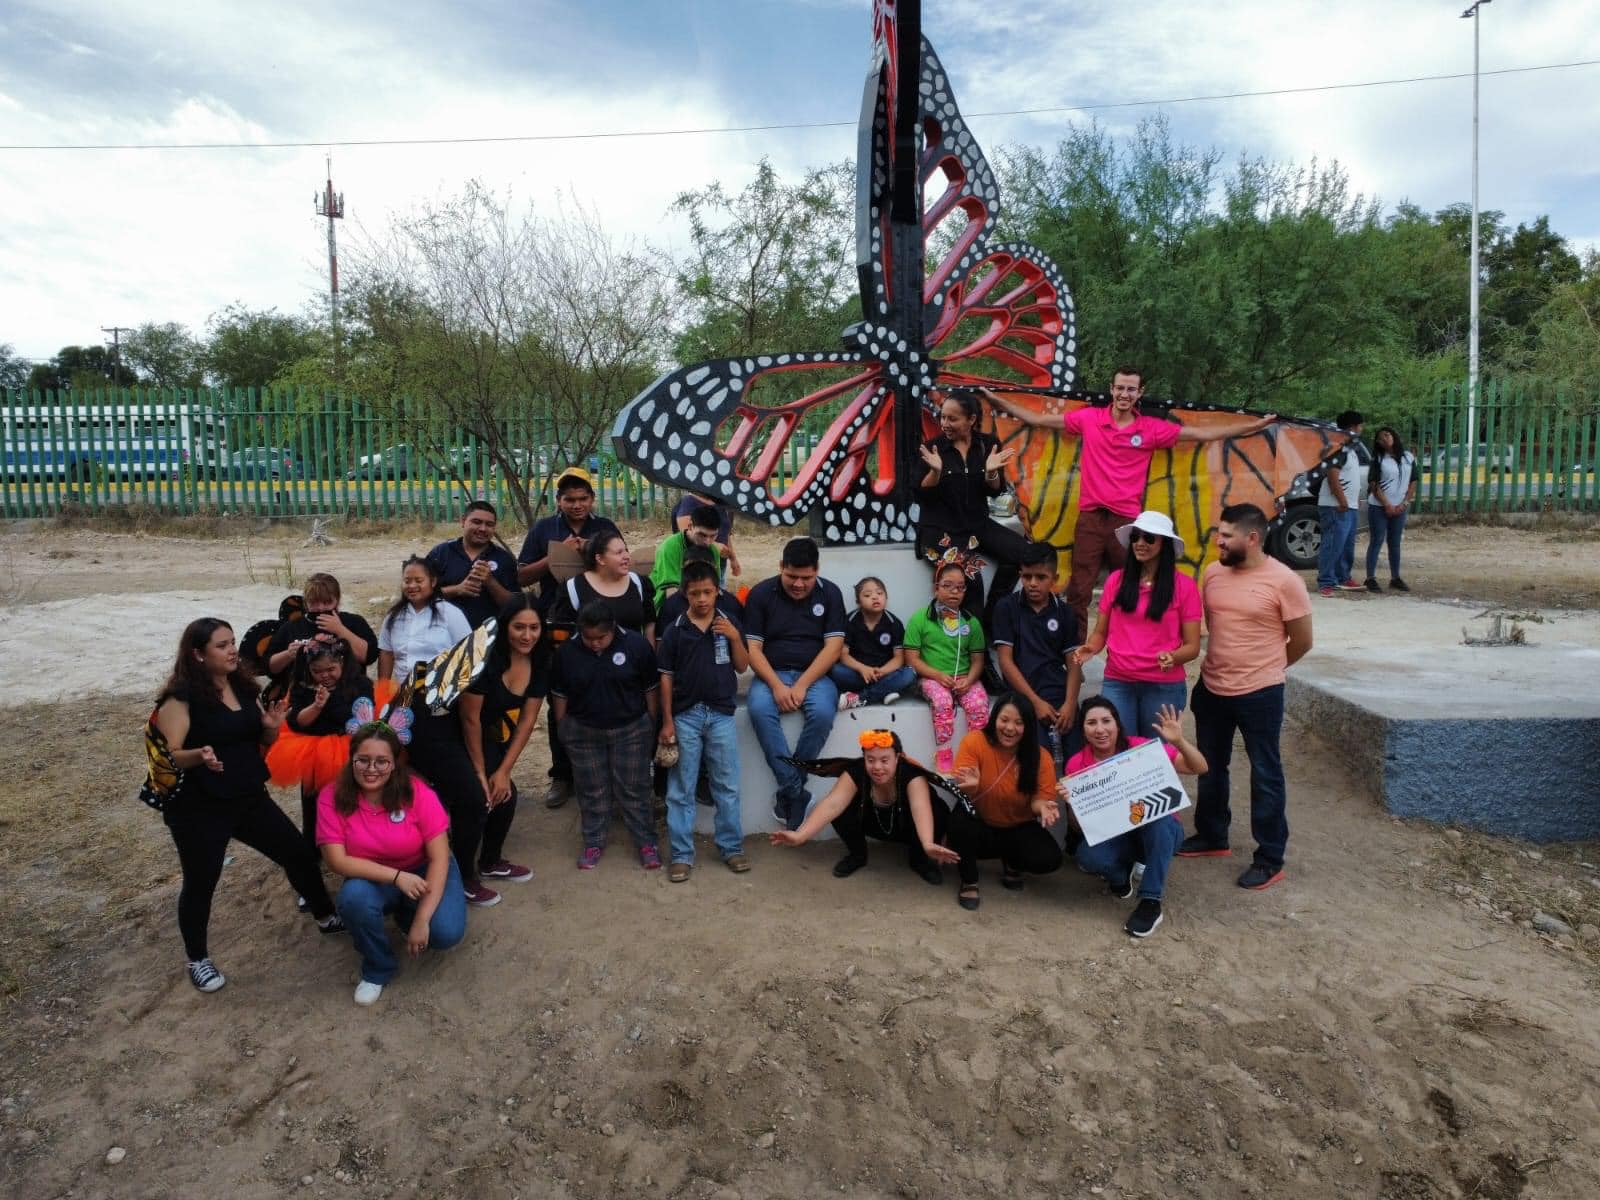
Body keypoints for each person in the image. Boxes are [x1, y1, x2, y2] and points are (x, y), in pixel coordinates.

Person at [986, 370, 1274, 630]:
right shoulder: (1089, 419)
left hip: (1127, 525)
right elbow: (1036, 419)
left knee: (1129, 591)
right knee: (1079, 592)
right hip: (1090, 518)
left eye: (1131, 389)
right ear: (1111, 389)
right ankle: (1072, 657)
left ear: (1140, 393)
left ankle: (1122, 653)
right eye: (1120, 388)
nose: (1124, 394)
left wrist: (1252, 426)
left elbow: (1200, 434)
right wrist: (992, 399)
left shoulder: (1150, 428)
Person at [153, 619, 342, 994]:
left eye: (232, 642)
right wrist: (200, 755)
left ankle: (325, 914)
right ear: (197, 654)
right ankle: (198, 959)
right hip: (199, 807)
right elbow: (171, 754)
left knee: (298, 853)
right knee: (201, 883)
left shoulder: (242, 686)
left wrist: (271, 725)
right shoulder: (180, 697)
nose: (232, 650)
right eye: (222, 645)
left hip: (247, 796)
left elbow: (262, 739)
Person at [1179, 503, 1313, 890]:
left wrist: (1267, 670)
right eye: (1218, 534)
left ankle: (1270, 856)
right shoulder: (1213, 573)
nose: (1218, 541)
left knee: (1266, 773)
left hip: (1261, 694)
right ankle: (1212, 835)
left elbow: (1302, 641)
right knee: (1209, 765)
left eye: (1226, 535)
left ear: (1252, 538)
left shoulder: (1285, 581)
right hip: (1212, 687)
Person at [318, 723, 466, 1006]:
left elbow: (439, 856)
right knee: (353, 899)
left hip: (424, 868)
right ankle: (378, 966)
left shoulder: (417, 792)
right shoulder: (331, 796)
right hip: (373, 876)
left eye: (382, 761)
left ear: (395, 764)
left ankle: (410, 913)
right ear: (351, 760)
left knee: (445, 934)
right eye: (363, 759)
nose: (371, 768)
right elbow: (337, 860)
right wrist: (397, 877)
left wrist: (422, 921)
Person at [1062, 697, 1208, 938]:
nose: (1100, 729)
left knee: (1160, 821)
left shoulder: (1142, 749)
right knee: (1088, 857)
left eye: (1106, 721)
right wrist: (1073, 804)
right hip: (1118, 836)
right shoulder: (1077, 764)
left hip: (1159, 831)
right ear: (1083, 730)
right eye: (1091, 723)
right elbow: (1079, 827)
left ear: (1117, 724)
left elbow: (1200, 767)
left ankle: (1151, 901)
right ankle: (1122, 875)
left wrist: (1179, 741)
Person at [542, 530, 657, 810]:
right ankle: (564, 776)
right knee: (571, 721)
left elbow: (650, 622)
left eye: (626, 550)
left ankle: (641, 783)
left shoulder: (639, 584)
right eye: (618, 552)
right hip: (586, 674)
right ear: (599, 558)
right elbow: (563, 634)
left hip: (630, 672)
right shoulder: (573, 588)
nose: (626, 556)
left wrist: (649, 656)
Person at [743, 537, 848, 830]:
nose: (799, 584)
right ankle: (795, 790)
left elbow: (834, 647)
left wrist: (802, 684)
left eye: (806, 578)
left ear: (817, 571)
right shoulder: (762, 594)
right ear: (780, 568)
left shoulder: (830, 594)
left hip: (814, 675)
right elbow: (753, 650)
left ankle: (790, 790)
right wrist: (777, 685)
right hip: (770, 673)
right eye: (792, 576)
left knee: (824, 713)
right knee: (760, 709)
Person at [1071, 510, 1202, 738]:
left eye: (1149, 538)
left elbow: (1192, 646)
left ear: (1165, 544)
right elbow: (1100, 632)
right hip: (1118, 680)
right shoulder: (1116, 581)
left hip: (1163, 685)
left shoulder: (1185, 586)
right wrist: (1090, 648)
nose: (1140, 543)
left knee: (1157, 757)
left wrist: (1174, 657)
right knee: (1119, 751)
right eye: (1135, 537)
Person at [657, 561, 750, 881]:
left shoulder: (728, 623)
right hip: (686, 716)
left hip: (721, 713)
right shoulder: (675, 631)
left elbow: (741, 667)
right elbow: (665, 679)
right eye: (694, 593)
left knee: (726, 783)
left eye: (708, 592)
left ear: (717, 591)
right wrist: (667, 721)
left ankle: (732, 847)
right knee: (681, 786)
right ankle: (682, 854)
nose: (702, 599)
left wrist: (736, 637)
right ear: (684, 594)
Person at [550, 602, 662, 870]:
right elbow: (559, 694)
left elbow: (651, 689)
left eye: (601, 638)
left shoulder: (636, 646)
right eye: (588, 639)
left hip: (632, 729)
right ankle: (593, 842)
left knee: (634, 788)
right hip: (583, 731)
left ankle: (646, 843)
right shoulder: (566, 653)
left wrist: (650, 721)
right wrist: (563, 725)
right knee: (592, 789)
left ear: (613, 629)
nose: (595, 644)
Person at [769, 728, 960, 884]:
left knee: (936, 812)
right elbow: (832, 804)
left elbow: (921, 809)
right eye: (871, 760)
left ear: (898, 758)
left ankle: (920, 860)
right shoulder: (856, 770)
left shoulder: (912, 775)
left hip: (912, 829)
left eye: (884, 760)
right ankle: (858, 855)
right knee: (840, 812)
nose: (877, 767)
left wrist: (927, 844)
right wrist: (800, 836)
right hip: (876, 823)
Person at [457, 593, 550, 886]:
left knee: (504, 792)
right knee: (476, 795)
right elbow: (469, 718)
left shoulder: (541, 658)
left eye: (534, 627)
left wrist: (504, 770)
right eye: (518, 627)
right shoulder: (484, 656)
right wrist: (480, 772)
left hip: (492, 731)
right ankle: (463, 875)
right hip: (453, 730)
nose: (527, 635)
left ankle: (490, 862)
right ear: (505, 625)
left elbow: (527, 720)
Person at [914, 391, 1025, 622]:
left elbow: (993, 490)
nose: (945, 424)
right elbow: (922, 495)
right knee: (971, 577)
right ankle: (977, 653)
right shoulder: (933, 448)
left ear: (971, 420)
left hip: (977, 525)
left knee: (1025, 553)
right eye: (942, 417)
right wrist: (936, 471)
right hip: (939, 531)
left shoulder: (988, 445)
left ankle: (992, 619)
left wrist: (991, 471)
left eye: (952, 419)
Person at [945, 693, 1062, 910]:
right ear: (994, 719)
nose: (1010, 728)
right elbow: (963, 790)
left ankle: (1012, 862)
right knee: (959, 823)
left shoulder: (1040, 756)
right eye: (1004, 720)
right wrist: (971, 787)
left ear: (1028, 726)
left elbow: (1039, 799)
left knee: (1050, 858)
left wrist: (1043, 807)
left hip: (1017, 827)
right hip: (981, 823)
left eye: (1019, 723)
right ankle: (969, 880)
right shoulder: (974, 742)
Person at [266, 638, 374, 853]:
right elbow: (297, 722)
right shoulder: (302, 686)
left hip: (350, 743)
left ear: (342, 662)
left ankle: (358, 840)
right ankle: (314, 843)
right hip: (314, 748)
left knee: (354, 795)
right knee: (314, 798)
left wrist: (334, 704)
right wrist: (317, 705)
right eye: (317, 671)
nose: (325, 675)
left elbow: (364, 716)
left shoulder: (360, 683)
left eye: (331, 669)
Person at [991, 541, 1082, 765]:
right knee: (1041, 763)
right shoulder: (1006, 608)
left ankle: (1074, 801)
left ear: (1055, 578)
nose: (1032, 583)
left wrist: (1070, 702)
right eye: (1027, 576)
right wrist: (1034, 702)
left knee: (1078, 763)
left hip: (1060, 695)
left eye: (1040, 577)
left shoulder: (1065, 612)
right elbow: (1005, 661)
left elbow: (1073, 662)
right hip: (1023, 698)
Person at [903, 560, 991, 775]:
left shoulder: (971, 623)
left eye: (960, 587)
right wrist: (937, 675)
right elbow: (911, 659)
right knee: (942, 702)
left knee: (979, 703)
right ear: (936, 588)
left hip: (964, 678)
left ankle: (976, 754)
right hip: (932, 678)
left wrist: (969, 680)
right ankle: (944, 753)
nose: (954, 592)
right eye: (948, 585)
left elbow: (978, 660)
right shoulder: (920, 619)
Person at [375, 555, 472, 705]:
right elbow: (386, 653)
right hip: (404, 695)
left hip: (440, 695)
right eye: (407, 581)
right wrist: (382, 693)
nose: (412, 586)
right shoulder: (393, 617)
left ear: (432, 582)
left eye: (419, 581)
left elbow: (467, 653)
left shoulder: (450, 613)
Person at [516, 467, 619, 591]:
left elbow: (623, 569)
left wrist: (592, 547)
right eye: (570, 500)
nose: (577, 506)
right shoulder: (543, 528)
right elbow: (521, 578)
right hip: (554, 607)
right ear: (559, 500)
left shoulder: (606, 527)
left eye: (583, 499)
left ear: (592, 498)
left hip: (599, 606)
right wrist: (556, 555)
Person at [264, 573, 378, 677]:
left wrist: (340, 630)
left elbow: (370, 656)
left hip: (349, 691)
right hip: (305, 693)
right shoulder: (292, 627)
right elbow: (269, 667)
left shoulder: (354, 622)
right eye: (314, 603)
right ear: (306, 603)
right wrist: (288, 654)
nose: (320, 608)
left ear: (337, 601)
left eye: (327, 602)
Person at [426, 500, 517, 629]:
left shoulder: (504, 559)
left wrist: (490, 581)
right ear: (463, 521)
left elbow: (513, 605)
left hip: (489, 637)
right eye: (477, 522)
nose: (483, 529)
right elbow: (422, 594)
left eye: (489, 524)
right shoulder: (441, 553)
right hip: (444, 634)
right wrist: (457, 590)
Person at [831, 576, 917, 710]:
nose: (875, 597)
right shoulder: (850, 621)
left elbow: (899, 657)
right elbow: (843, 655)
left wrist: (883, 671)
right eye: (867, 595)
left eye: (880, 593)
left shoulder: (894, 623)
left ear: (886, 598)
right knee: (835, 670)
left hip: (884, 673)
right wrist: (862, 669)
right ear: (858, 601)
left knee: (909, 674)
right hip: (858, 674)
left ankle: (859, 698)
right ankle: (883, 692)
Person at [1315, 410, 1369, 597]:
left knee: (1346, 545)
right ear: (1352, 427)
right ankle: (1326, 582)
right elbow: (1332, 476)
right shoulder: (1338, 448)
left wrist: (1352, 502)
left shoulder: (1350, 450)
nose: (1362, 429)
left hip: (1349, 506)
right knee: (1332, 544)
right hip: (1335, 505)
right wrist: (1343, 501)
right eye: (1360, 426)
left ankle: (1343, 577)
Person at [1364, 426, 1416, 594]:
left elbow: (1413, 481)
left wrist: (1404, 503)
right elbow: (1373, 484)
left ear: (1394, 435)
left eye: (1386, 435)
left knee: (1395, 543)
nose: (1384, 439)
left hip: (1400, 507)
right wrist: (1387, 504)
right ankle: (1370, 578)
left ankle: (1395, 577)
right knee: (1377, 540)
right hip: (1379, 507)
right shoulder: (1378, 459)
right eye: (1380, 438)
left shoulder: (1408, 457)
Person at [655, 544, 744, 633]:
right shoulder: (670, 606)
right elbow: (662, 644)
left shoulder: (731, 604)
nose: (698, 574)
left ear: (714, 569)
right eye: (691, 569)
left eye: (704, 568)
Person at [651, 503, 723, 595]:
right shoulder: (669, 547)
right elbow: (670, 590)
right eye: (702, 535)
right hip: (667, 599)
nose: (707, 542)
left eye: (713, 536)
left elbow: (715, 585)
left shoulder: (713, 550)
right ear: (690, 526)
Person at [673, 492, 741, 578]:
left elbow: (725, 532)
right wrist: (714, 545)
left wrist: (733, 558)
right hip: (697, 562)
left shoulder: (719, 503)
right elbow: (686, 531)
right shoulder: (689, 501)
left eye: (713, 536)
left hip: (719, 562)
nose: (708, 541)